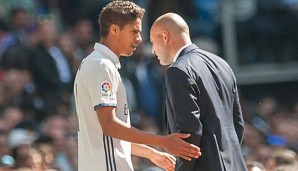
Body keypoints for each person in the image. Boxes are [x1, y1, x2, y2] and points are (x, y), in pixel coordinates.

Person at [73, 1, 201, 171]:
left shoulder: (96, 63)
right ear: (114, 30)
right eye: (134, 31)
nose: (139, 39)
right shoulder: (101, 66)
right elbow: (109, 126)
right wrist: (163, 141)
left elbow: (110, 135)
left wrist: (151, 153)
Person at [150, 12, 247, 171]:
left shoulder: (178, 70)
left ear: (165, 37)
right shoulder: (222, 64)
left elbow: (190, 133)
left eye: (153, 42)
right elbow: (238, 125)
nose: (153, 50)